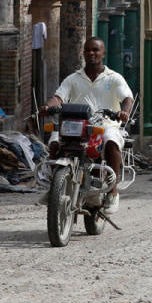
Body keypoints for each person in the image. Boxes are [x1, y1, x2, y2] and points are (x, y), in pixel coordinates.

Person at [42, 37, 133, 213]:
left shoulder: (114, 78)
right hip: (75, 125)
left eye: (95, 50)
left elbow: (127, 98)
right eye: (88, 50)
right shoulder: (73, 78)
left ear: (103, 53)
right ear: (83, 53)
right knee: (54, 140)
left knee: (111, 140)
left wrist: (124, 112)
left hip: (105, 124)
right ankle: (54, 186)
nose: (91, 53)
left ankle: (113, 191)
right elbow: (59, 97)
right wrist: (49, 106)